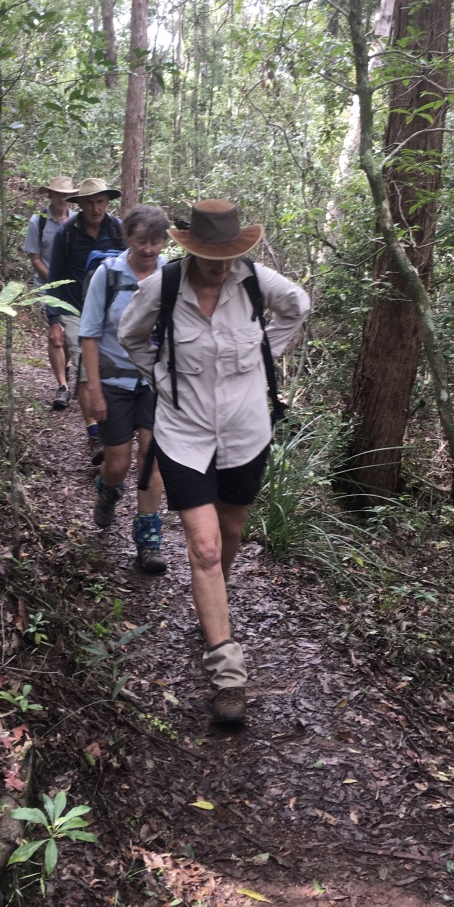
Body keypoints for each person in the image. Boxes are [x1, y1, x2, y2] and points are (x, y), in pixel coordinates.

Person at [119, 199, 310, 723]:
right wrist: (160, 376)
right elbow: (130, 334)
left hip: (247, 430)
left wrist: (265, 356)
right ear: (193, 248)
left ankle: (212, 605)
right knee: (202, 546)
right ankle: (227, 669)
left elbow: (298, 304)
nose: (222, 263)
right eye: (212, 254)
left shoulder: (254, 280)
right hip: (184, 431)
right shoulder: (165, 284)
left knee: (228, 534)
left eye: (230, 253)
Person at [79, 205, 169, 573]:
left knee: (152, 460)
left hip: (154, 382)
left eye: (157, 241)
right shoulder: (108, 274)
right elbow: (88, 334)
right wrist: (94, 392)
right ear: (127, 238)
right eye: (142, 240)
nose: (149, 249)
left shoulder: (171, 275)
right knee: (118, 463)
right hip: (113, 380)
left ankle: (148, 540)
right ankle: (107, 488)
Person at [47, 178, 124, 457]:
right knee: (83, 365)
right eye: (90, 202)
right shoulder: (66, 234)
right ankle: (95, 436)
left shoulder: (117, 229)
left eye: (100, 201)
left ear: (107, 202)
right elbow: (54, 276)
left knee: (110, 367)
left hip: (110, 310)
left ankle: (113, 424)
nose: (95, 207)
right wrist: (53, 319)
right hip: (73, 308)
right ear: (79, 204)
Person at [21, 176, 77, 410]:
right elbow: (34, 255)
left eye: (65, 194)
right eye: (57, 193)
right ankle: (63, 387)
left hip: (74, 288)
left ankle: (67, 368)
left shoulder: (77, 220)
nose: (61, 198)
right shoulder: (39, 221)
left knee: (70, 334)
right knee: (56, 334)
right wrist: (52, 280)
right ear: (50, 195)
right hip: (47, 287)